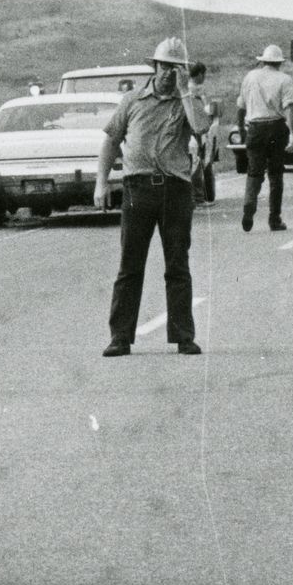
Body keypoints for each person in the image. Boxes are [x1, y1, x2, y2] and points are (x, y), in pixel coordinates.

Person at [92, 36, 216, 356]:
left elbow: (201, 127)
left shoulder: (187, 100)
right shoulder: (132, 100)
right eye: (165, 66)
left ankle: (183, 336)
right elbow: (111, 140)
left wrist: (185, 91)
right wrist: (101, 183)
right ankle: (120, 337)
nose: (169, 74)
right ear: (155, 66)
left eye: (177, 68)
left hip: (175, 190)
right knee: (130, 265)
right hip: (137, 188)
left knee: (177, 264)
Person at [235, 42, 293, 231]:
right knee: (276, 175)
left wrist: (241, 129)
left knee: (254, 171)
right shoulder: (285, 79)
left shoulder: (250, 76)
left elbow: (240, 106)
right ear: (279, 62)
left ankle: (249, 204)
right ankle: (274, 218)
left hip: (255, 127)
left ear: (263, 61)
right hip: (277, 127)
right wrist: (292, 132)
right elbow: (289, 106)